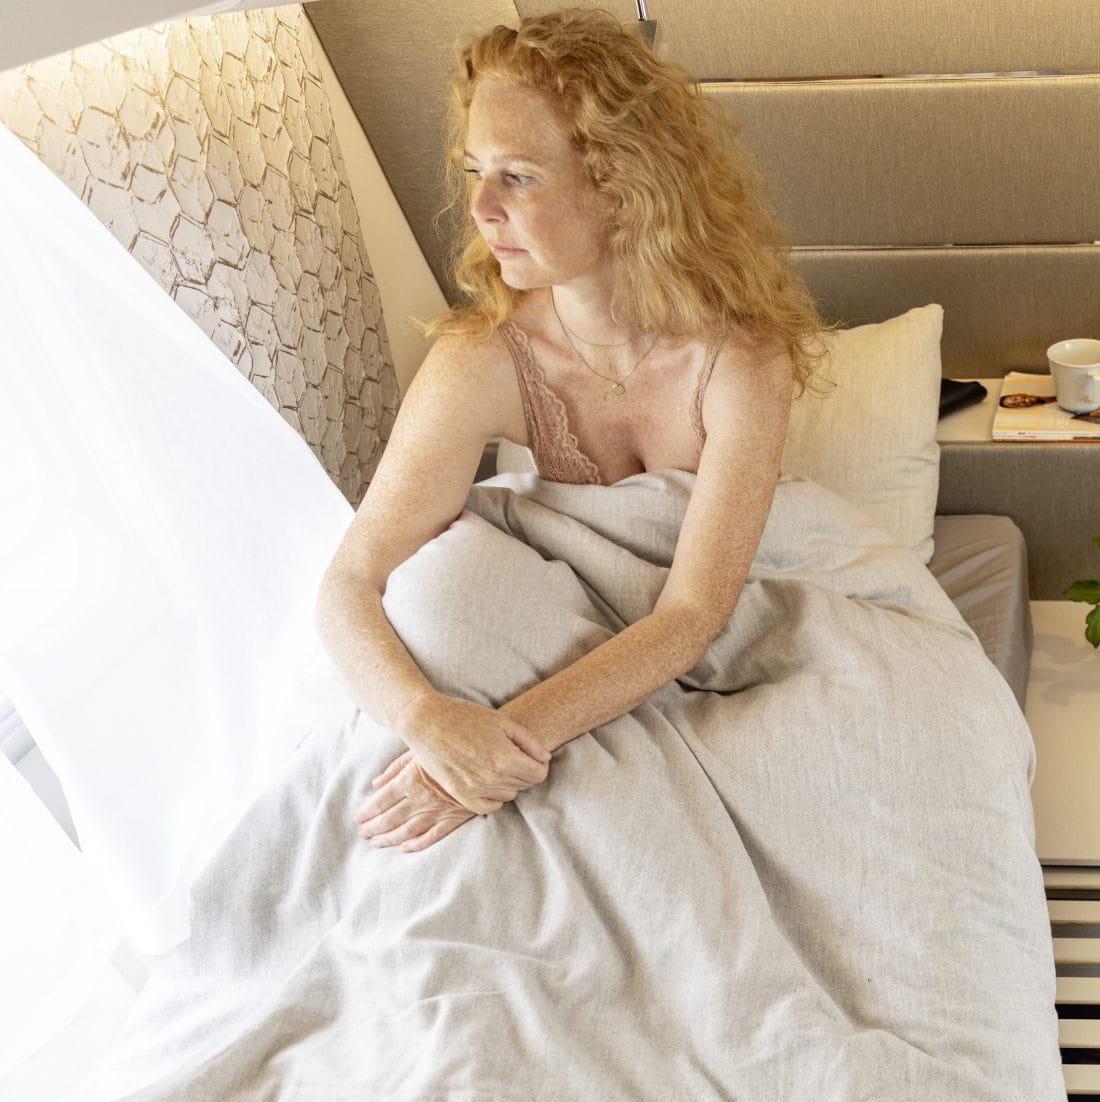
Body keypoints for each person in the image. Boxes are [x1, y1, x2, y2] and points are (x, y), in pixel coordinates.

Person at [316, 9, 825, 854]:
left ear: (622, 186)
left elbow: (693, 613)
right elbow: (349, 580)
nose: (480, 207)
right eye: (475, 171)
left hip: (720, 642)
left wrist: (501, 748)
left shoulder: (742, 362)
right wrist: (431, 725)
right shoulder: (480, 360)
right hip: (560, 653)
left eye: (517, 177)